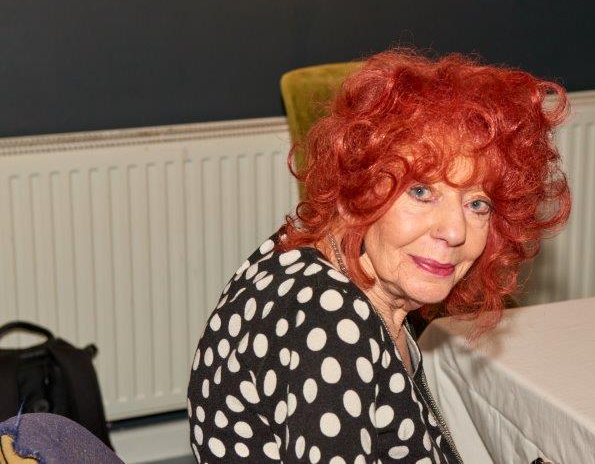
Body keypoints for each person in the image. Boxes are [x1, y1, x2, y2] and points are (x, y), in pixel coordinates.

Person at [187, 49, 571, 463]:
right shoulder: (331, 328)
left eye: (477, 204)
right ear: (358, 193)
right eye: (421, 192)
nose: (455, 231)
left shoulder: (310, 254)